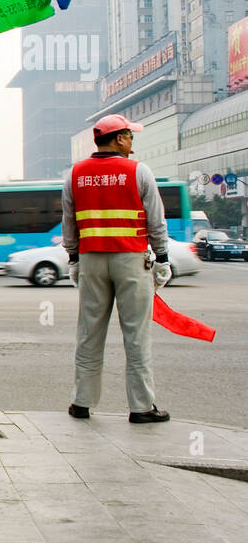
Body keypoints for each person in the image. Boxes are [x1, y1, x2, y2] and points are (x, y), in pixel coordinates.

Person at [63, 114, 171, 424]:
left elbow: (69, 224)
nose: (132, 143)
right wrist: (162, 259)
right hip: (130, 260)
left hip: (91, 262)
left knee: (88, 333)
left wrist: (74, 259)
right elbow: (156, 221)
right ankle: (141, 407)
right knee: (136, 335)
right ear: (120, 139)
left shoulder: (75, 175)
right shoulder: (139, 172)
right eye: (130, 137)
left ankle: (81, 403)